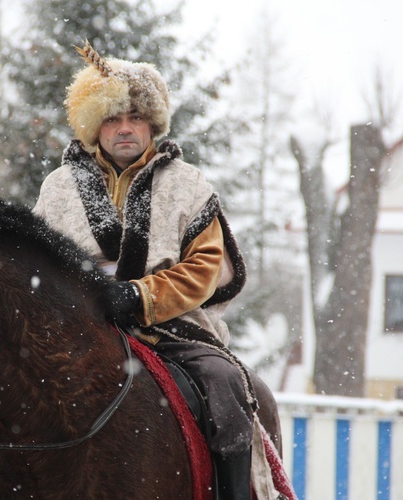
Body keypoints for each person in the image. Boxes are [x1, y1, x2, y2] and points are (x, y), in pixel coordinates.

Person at [30, 41, 253, 499]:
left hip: (174, 332)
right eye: (113, 118)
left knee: (227, 385)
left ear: (153, 123)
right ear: (95, 125)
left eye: (136, 118)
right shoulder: (57, 188)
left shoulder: (188, 184)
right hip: (71, 334)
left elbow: (206, 267)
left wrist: (139, 297)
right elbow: (35, 267)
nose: (125, 129)